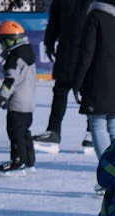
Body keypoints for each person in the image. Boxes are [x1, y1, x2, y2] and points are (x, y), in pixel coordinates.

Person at [72, 0, 115, 162]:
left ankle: (109, 171)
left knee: (97, 126)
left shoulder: (97, 16)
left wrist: (77, 82)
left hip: (99, 79)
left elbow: (86, 53)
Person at [32, 0, 93, 154]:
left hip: (88, 51)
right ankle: (54, 132)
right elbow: (54, 21)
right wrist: (49, 42)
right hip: (69, 50)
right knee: (62, 91)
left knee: (89, 92)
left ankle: (91, 132)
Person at [0, 20, 37, 176]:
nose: (0, 45)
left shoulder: (13, 59)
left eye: (1, 41)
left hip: (18, 103)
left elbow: (10, 81)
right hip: (29, 102)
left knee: (15, 133)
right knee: (24, 132)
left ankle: (18, 161)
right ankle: (29, 162)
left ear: (9, 40)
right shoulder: (28, 53)